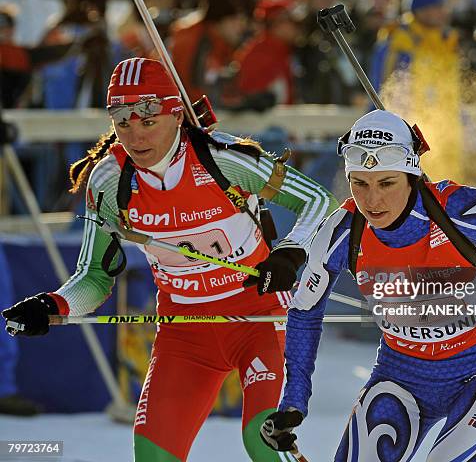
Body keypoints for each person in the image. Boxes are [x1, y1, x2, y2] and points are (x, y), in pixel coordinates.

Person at [1, 57, 338, 461]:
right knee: (154, 457)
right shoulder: (109, 182)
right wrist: (53, 305)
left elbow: (320, 200)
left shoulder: (222, 158)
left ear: (176, 113)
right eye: (122, 123)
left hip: (259, 321)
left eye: (148, 121)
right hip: (184, 331)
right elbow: (94, 276)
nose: (135, 136)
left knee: (264, 442)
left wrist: (289, 252)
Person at [260, 109, 476, 461]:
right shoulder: (343, 231)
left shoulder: (467, 212)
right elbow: (305, 311)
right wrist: (294, 400)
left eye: (387, 183)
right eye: (360, 183)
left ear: (411, 174)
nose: (373, 200)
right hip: (398, 378)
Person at [370, 0, 465, 183]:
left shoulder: (447, 39)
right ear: (419, 9)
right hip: (410, 125)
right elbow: (382, 86)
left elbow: (452, 86)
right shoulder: (398, 40)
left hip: (445, 124)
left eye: (441, 6)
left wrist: (461, 119)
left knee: (449, 185)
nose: (440, 12)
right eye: (434, 7)